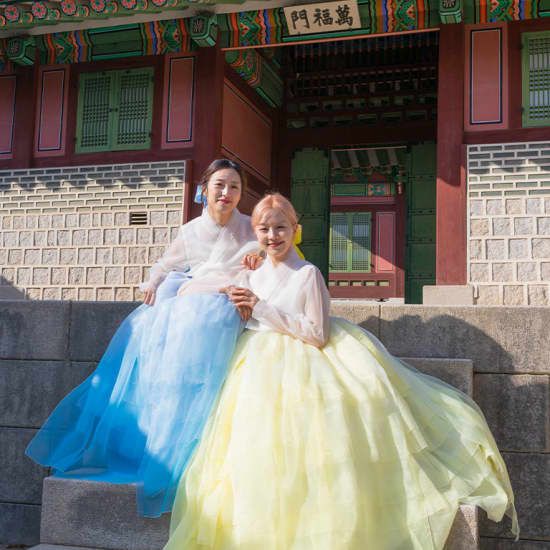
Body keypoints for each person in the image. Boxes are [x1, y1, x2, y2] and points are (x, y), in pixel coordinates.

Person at [165, 193, 518, 550]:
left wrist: (261, 308)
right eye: (264, 229)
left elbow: (317, 333)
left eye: (281, 228)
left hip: (303, 356)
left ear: (295, 229)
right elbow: (207, 287)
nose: (273, 236)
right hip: (254, 362)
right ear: (256, 232)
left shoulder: (307, 274)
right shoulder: (251, 273)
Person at [25, 159, 259, 517]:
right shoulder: (191, 231)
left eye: (234, 187)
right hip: (200, 296)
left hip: (231, 297)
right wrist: (151, 282)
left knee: (207, 313)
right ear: (205, 189)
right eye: (220, 185)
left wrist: (255, 267)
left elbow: (269, 255)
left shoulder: (251, 227)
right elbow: (165, 265)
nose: (227, 193)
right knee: (171, 318)